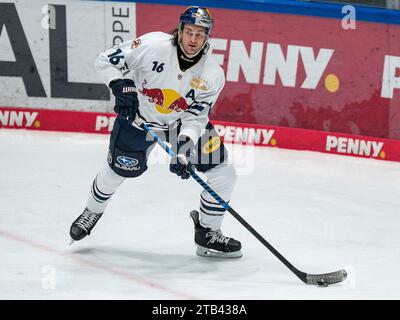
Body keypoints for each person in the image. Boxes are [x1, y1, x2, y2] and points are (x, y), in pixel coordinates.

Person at [69, 6, 242, 258]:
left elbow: (196, 116)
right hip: (138, 120)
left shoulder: (213, 73)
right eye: (189, 32)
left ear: (207, 37)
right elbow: (104, 60)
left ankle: (207, 234)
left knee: (223, 173)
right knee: (117, 172)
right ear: (180, 30)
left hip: (179, 125)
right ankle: (92, 211)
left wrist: (184, 146)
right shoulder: (152, 45)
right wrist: (119, 84)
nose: (193, 40)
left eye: (200, 34)